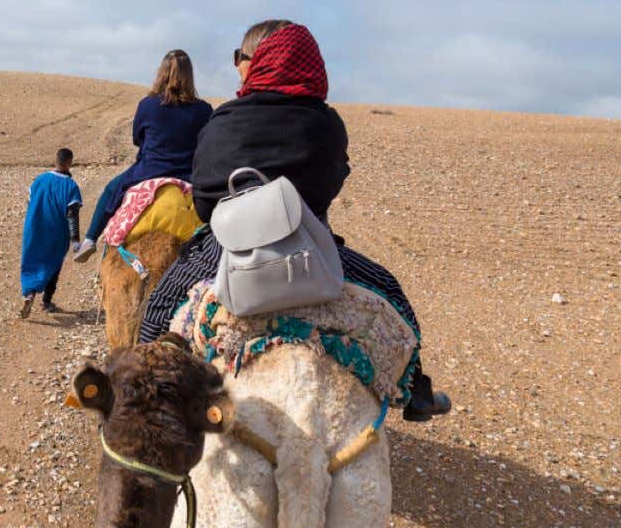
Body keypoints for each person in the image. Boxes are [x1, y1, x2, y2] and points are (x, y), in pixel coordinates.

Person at [139, 21, 451, 421]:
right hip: (310, 245)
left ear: (259, 61)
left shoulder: (222, 120)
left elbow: (204, 201)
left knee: (158, 308)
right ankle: (418, 392)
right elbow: (332, 183)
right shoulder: (325, 122)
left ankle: (142, 404)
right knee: (390, 290)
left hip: (227, 250)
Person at [74, 49, 213, 262]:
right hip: (188, 175)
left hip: (149, 171)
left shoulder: (147, 105)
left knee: (112, 188)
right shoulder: (203, 110)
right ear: (189, 75)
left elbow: (137, 138)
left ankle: (90, 239)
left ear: (162, 73)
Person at [20, 148, 83, 318]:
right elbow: (72, 215)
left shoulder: (39, 180)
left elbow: (30, 203)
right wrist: (75, 240)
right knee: (53, 265)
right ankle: (46, 302)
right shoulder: (70, 186)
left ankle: (29, 294)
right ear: (69, 162)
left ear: (55, 160)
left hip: (33, 229)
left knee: (33, 261)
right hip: (56, 232)